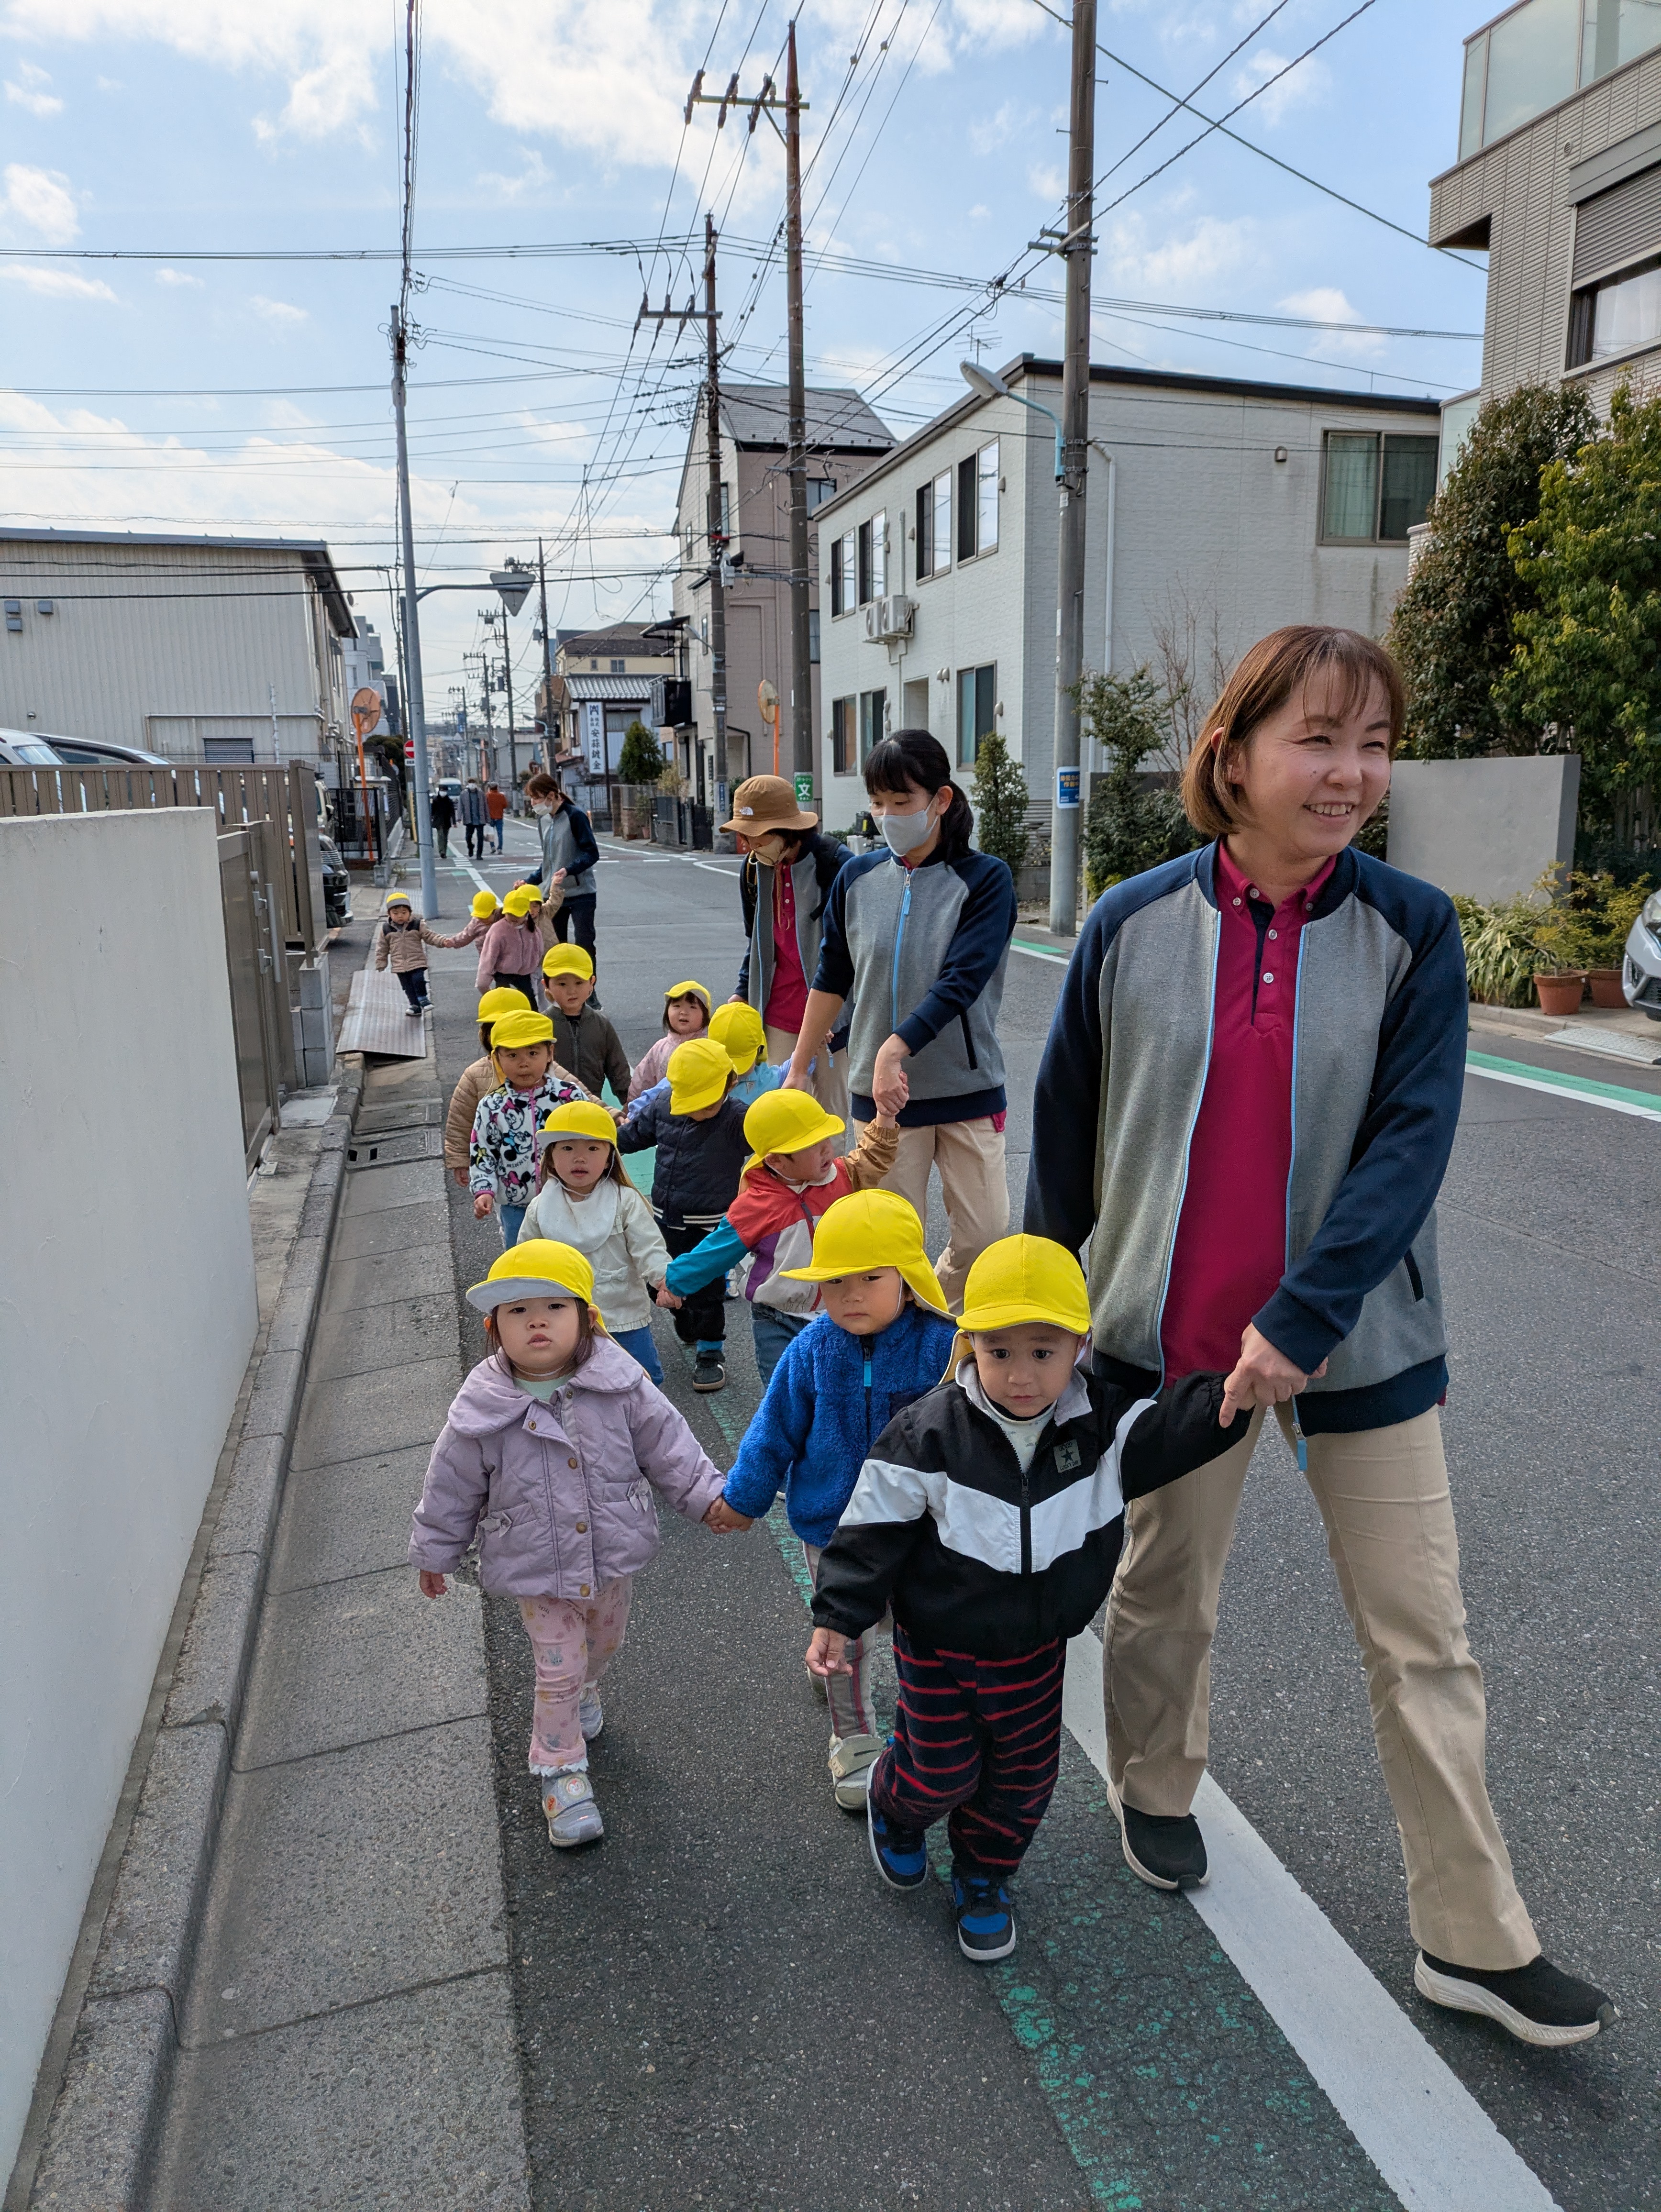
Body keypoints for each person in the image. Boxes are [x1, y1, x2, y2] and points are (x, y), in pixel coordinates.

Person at [1025, 622, 1616, 2046]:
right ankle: (1153, 1784)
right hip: (1169, 1336)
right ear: (1232, 755)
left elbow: (1409, 1146)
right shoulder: (1128, 923)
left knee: (1423, 1634)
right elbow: (1064, 1140)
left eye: (1374, 743)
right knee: (1162, 1592)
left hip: (1358, 1336)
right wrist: (1040, 1320)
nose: (1350, 771)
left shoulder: (1411, 927)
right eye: (1318, 739)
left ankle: (1470, 1935)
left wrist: (1300, 1316)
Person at [806, 1236, 1246, 1964]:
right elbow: (870, 1529)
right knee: (939, 1770)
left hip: (1036, 1650)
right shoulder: (928, 1432)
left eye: (1044, 1352)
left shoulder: (1105, 1425)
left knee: (1022, 1780)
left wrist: (1239, 1390)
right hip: (939, 1646)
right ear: (969, 1342)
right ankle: (895, 1803)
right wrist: (838, 1615)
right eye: (999, 1350)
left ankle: (983, 1876)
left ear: (1080, 1345)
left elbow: (1177, 1429)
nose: (1020, 1374)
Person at [410, 1240, 735, 1846]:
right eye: (518, 1311)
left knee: (603, 1644)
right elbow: (450, 1486)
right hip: (535, 1565)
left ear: (587, 1318)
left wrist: (708, 1498)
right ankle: (561, 1773)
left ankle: (588, 1686)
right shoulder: (483, 1409)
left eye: (554, 1307)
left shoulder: (621, 1384)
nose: (537, 1321)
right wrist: (436, 1552)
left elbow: (670, 1448)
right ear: (494, 1328)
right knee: (556, 1666)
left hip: (610, 1552)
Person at [711, 1192, 958, 1809]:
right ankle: (853, 1736)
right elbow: (774, 1429)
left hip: (921, 1530)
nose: (851, 1295)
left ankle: (925, 1724)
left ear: (908, 1276)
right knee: (849, 1635)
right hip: (832, 1528)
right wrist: (743, 1496)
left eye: (870, 1278)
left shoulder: (942, 1347)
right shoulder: (813, 1349)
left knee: (918, 1630)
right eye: (837, 1280)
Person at [784, 730, 1017, 1311]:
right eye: (878, 802)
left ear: (941, 799)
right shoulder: (856, 879)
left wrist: (895, 1047)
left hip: (965, 1088)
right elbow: (831, 978)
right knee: (890, 1244)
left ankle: (934, 1312)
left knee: (985, 1236)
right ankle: (914, 1345)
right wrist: (798, 1066)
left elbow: (962, 979)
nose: (888, 815)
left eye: (902, 800)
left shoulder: (985, 880)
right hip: (880, 1100)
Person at [664, 1087, 899, 1389]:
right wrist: (675, 1282)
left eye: (826, 1139)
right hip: (777, 1318)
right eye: (813, 1146)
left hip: (838, 1310)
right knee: (785, 1392)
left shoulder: (843, 1176)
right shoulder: (756, 1206)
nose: (827, 1150)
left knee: (841, 1388)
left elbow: (874, 1156)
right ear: (776, 1161)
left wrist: (886, 1116)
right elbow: (716, 1252)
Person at [616, 1037, 748, 1393]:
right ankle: (685, 1318)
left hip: (710, 1226)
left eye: (706, 1105)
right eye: (689, 1102)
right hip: (665, 1217)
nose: (696, 1112)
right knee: (657, 1279)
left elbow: (770, 1148)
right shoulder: (664, 1105)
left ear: (730, 1083)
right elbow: (630, 1137)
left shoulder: (737, 1118)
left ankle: (710, 1352)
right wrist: (599, 1140)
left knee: (707, 1290)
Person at [518, 1103, 679, 1385]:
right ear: (551, 1159)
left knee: (641, 1381)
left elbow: (649, 1248)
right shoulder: (540, 1208)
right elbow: (525, 1261)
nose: (580, 1157)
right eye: (567, 1148)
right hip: (564, 1320)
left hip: (623, 1315)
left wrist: (665, 1280)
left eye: (593, 1148)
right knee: (576, 1385)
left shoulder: (625, 1201)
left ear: (609, 1159)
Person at [721, 774, 850, 1124]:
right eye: (744, 835)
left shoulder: (835, 864)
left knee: (829, 1123)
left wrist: (836, 1013)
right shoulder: (754, 869)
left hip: (831, 1020)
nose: (748, 844)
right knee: (780, 1119)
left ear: (785, 829)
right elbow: (757, 941)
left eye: (756, 835)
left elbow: (854, 951)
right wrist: (743, 991)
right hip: (778, 1015)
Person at [468, 1009, 583, 1246]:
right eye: (512, 1055)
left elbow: (592, 1140)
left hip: (570, 1199)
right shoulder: (492, 1106)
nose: (523, 1063)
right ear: (497, 1059)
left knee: (572, 1256)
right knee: (522, 1258)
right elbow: (483, 1152)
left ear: (550, 1053)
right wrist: (484, 1190)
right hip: (516, 1206)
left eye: (533, 1053)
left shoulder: (569, 1096)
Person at [522, 774, 601, 1002]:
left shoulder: (575, 816)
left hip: (582, 892)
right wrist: (529, 882)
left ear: (551, 795)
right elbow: (549, 863)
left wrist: (569, 870)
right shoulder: (544, 821)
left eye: (536, 798)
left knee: (584, 944)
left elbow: (592, 853)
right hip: (553, 896)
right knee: (556, 948)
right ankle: (561, 997)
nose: (533, 804)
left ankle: (590, 993)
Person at [542, 946, 631, 1104]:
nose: (572, 991)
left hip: (592, 1104)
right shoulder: (540, 1026)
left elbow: (619, 1070)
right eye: (562, 984)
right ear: (546, 985)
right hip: (550, 1105)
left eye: (579, 983)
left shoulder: (601, 1025)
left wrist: (629, 1102)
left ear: (592, 983)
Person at [372, 890, 465, 1018]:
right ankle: (415, 1006)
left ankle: (423, 998)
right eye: (396, 913)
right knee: (408, 987)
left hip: (417, 961)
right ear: (389, 914)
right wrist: (381, 963)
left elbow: (430, 936)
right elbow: (382, 948)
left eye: (404, 913)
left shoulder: (417, 925)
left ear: (410, 912)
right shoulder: (386, 929)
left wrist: (443, 941)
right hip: (399, 965)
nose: (400, 916)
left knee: (418, 979)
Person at [625, 981, 712, 1104]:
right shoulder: (660, 1048)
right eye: (677, 1006)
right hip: (661, 1110)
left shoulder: (709, 1047)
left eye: (693, 1007)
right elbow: (642, 1080)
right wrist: (632, 1103)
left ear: (706, 1016)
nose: (683, 1012)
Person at [707, 1000, 781, 1111]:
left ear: (759, 1051)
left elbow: (792, 1070)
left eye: (739, 1062)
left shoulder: (766, 1079)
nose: (733, 1072)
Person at [476, 885, 543, 1001]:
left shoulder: (533, 929)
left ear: (526, 913)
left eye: (518, 914)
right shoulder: (498, 930)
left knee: (530, 1004)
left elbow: (538, 951)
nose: (514, 917)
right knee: (505, 1004)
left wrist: (531, 968)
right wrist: (483, 984)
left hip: (524, 975)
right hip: (503, 974)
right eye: (510, 914)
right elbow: (488, 958)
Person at [461, 778, 488, 860]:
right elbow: (461, 806)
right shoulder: (464, 794)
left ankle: (479, 854)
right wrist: (459, 817)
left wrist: (488, 818)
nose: (472, 784)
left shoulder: (481, 794)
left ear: (476, 784)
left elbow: (486, 806)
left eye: (473, 783)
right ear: (468, 784)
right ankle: (471, 847)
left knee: (480, 838)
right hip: (469, 820)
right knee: (468, 837)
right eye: (470, 783)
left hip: (480, 820)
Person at [429, 785, 455, 857]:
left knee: (445, 837)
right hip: (438, 821)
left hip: (447, 821)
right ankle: (442, 851)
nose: (443, 792)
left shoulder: (449, 801)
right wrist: (431, 817)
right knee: (440, 836)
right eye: (442, 791)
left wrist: (454, 822)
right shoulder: (436, 800)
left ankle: (444, 851)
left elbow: (452, 812)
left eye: (444, 791)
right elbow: (433, 811)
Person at [485, 779, 509, 853]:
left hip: (490, 817)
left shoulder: (488, 796)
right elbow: (505, 805)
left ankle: (493, 847)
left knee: (491, 833)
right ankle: (500, 848)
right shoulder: (501, 796)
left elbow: (485, 806)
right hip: (499, 817)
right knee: (500, 834)